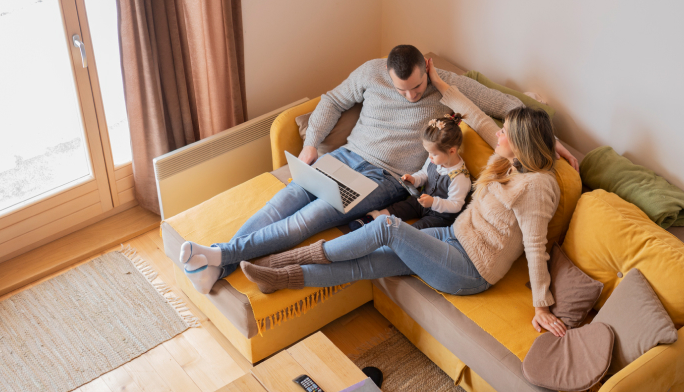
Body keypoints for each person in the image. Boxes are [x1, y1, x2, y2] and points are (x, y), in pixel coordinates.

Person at [238, 59, 570, 337]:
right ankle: (280, 279)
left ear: (523, 143)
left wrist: (541, 304)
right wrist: (438, 81)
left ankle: (278, 261)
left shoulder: (538, 187)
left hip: (471, 269)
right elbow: (476, 114)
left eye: (506, 132)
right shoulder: (507, 161)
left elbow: (535, 245)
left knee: (388, 228)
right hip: (454, 237)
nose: (498, 133)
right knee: (370, 262)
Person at [171, 45, 528, 292]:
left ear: (428, 67)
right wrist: (311, 146)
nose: (411, 96)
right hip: (343, 157)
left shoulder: (448, 86)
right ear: (387, 73)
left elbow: (507, 104)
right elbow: (332, 100)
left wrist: (550, 138)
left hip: (384, 179)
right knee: (281, 204)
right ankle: (219, 266)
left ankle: (217, 255)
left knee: (307, 220)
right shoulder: (372, 72)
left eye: (417, 86)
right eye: (402, 89)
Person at [349, 112, 471, 231]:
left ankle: (393, 238)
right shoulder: (434, 161)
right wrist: (414, 179)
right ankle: (374, 217)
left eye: (433, 154)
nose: (430, 157)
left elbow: (456, 205)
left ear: (452, 151)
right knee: (403, 206)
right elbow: (424, 174)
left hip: (440, 216)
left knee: (417, 230)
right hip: (421, 201)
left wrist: (433, 202)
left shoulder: (460, 177)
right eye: (428, 152)